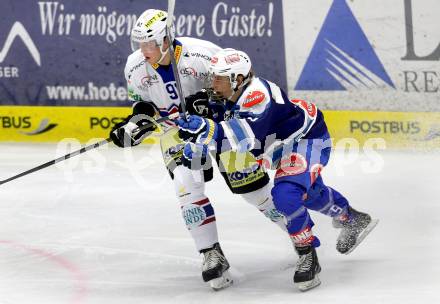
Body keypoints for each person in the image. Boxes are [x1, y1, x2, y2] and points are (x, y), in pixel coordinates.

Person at [109, 9, 286, 290]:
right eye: (140, 44)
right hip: (176, 132)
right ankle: (210, 253)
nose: (144, 51)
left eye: (150, 44)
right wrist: (136, 123)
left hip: (221, 129)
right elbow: (143, 104)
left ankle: (299, 234)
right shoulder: (134, 66)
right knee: (185, 184)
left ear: (166, 39)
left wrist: (208, 101)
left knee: (253, 191)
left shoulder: (203, 55)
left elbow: (238, 87)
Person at [176, 48, 379, 291]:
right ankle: (352, 218)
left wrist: (205, 131)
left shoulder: (257, 95)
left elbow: (243, 138)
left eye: (218, 78)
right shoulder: (225, 94)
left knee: (286, 195)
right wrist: (196, 143)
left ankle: (307, 254)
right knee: (310, 194)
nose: (212, 83)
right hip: (279, 147)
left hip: (306, 140)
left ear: (237, 79)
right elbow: (219, 131)